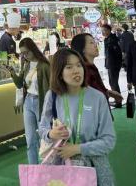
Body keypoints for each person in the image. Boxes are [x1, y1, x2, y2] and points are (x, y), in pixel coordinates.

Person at [39, 48, 116, 185]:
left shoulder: (97, 98)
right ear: (59, 73)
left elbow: (109, 141)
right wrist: (51, 133)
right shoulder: (53, 96)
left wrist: (77, 148)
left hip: (94, 168)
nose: (76, 70)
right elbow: (42, 128)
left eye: (79, 65)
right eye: (69, 67)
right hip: (61, 168)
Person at [7, 37, 50, 164]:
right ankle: (33, 170)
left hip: (41, 103)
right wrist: (12, 72)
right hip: (28, 102)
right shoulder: (26, 64)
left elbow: (50, 88)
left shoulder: (45, 66)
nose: (25, 55)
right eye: (22, 53)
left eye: (26, 52)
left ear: (33, 49)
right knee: (30, 139)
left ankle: (47, 168)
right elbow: (20, 84)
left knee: (45, 139)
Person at [71, 33, 123, 106]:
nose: (96, 45)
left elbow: (96, 90)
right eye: (91, 43)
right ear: (82, 49)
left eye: (94, 42)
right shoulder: (84, 71)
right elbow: (90, 97)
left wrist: (110, 93)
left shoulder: (91, 67)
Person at [102, 24, 123, 107]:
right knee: (112, 82)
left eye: (104, 30)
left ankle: (118, 101)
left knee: (114, 83)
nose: (103, 32)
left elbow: (118, 53)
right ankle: (117, 100)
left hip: (114, 65)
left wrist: (117, 64)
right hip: (110, 64)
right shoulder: (108, 39)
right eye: (102, 30)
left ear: (108, 30)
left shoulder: (113, 39)